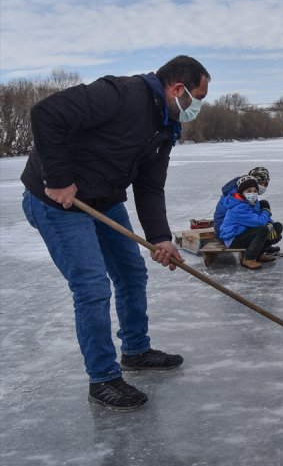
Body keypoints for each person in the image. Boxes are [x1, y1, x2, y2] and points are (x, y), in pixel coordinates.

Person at [20, 55, 210, 411]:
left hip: (103, 199)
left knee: (131, 273)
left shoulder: (166, 126)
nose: (197, 107)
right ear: (178, 88)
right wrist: (58, 179)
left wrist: (161, 238)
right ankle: (102, 378)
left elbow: (150, 186)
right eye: (197, 98)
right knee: (92, 287)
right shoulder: (120, 94)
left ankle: (136, 350)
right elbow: (46, 113)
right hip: (57, 202)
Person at [213, 167, 280, 257]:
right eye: (262, 183)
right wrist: (266, 212)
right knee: (262, 230)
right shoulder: (236, 197)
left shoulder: (245, 193)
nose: (264, 187)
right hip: (228, 231)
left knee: (272, 228)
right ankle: (251, 255)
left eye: (266, 184)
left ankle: (261, 246)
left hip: (240, 225)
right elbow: (247, 217)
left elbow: (253, 213)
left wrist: (269, 223)